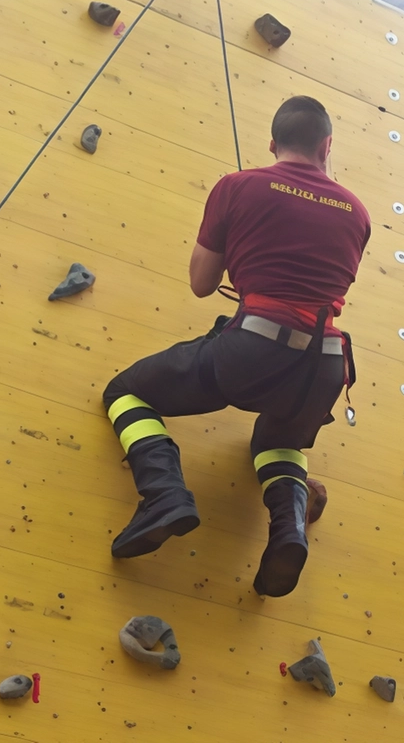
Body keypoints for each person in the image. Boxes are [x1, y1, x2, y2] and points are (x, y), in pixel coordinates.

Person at [101, 96, 370, 598]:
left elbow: (202, 283)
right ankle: (288, 530)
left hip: (254, 345)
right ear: (327, 146)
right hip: (326, 364)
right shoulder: (356, 212)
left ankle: (163, 495)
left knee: (127, 393)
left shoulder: (238, 186)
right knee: (278, 444)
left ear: (272, 143)